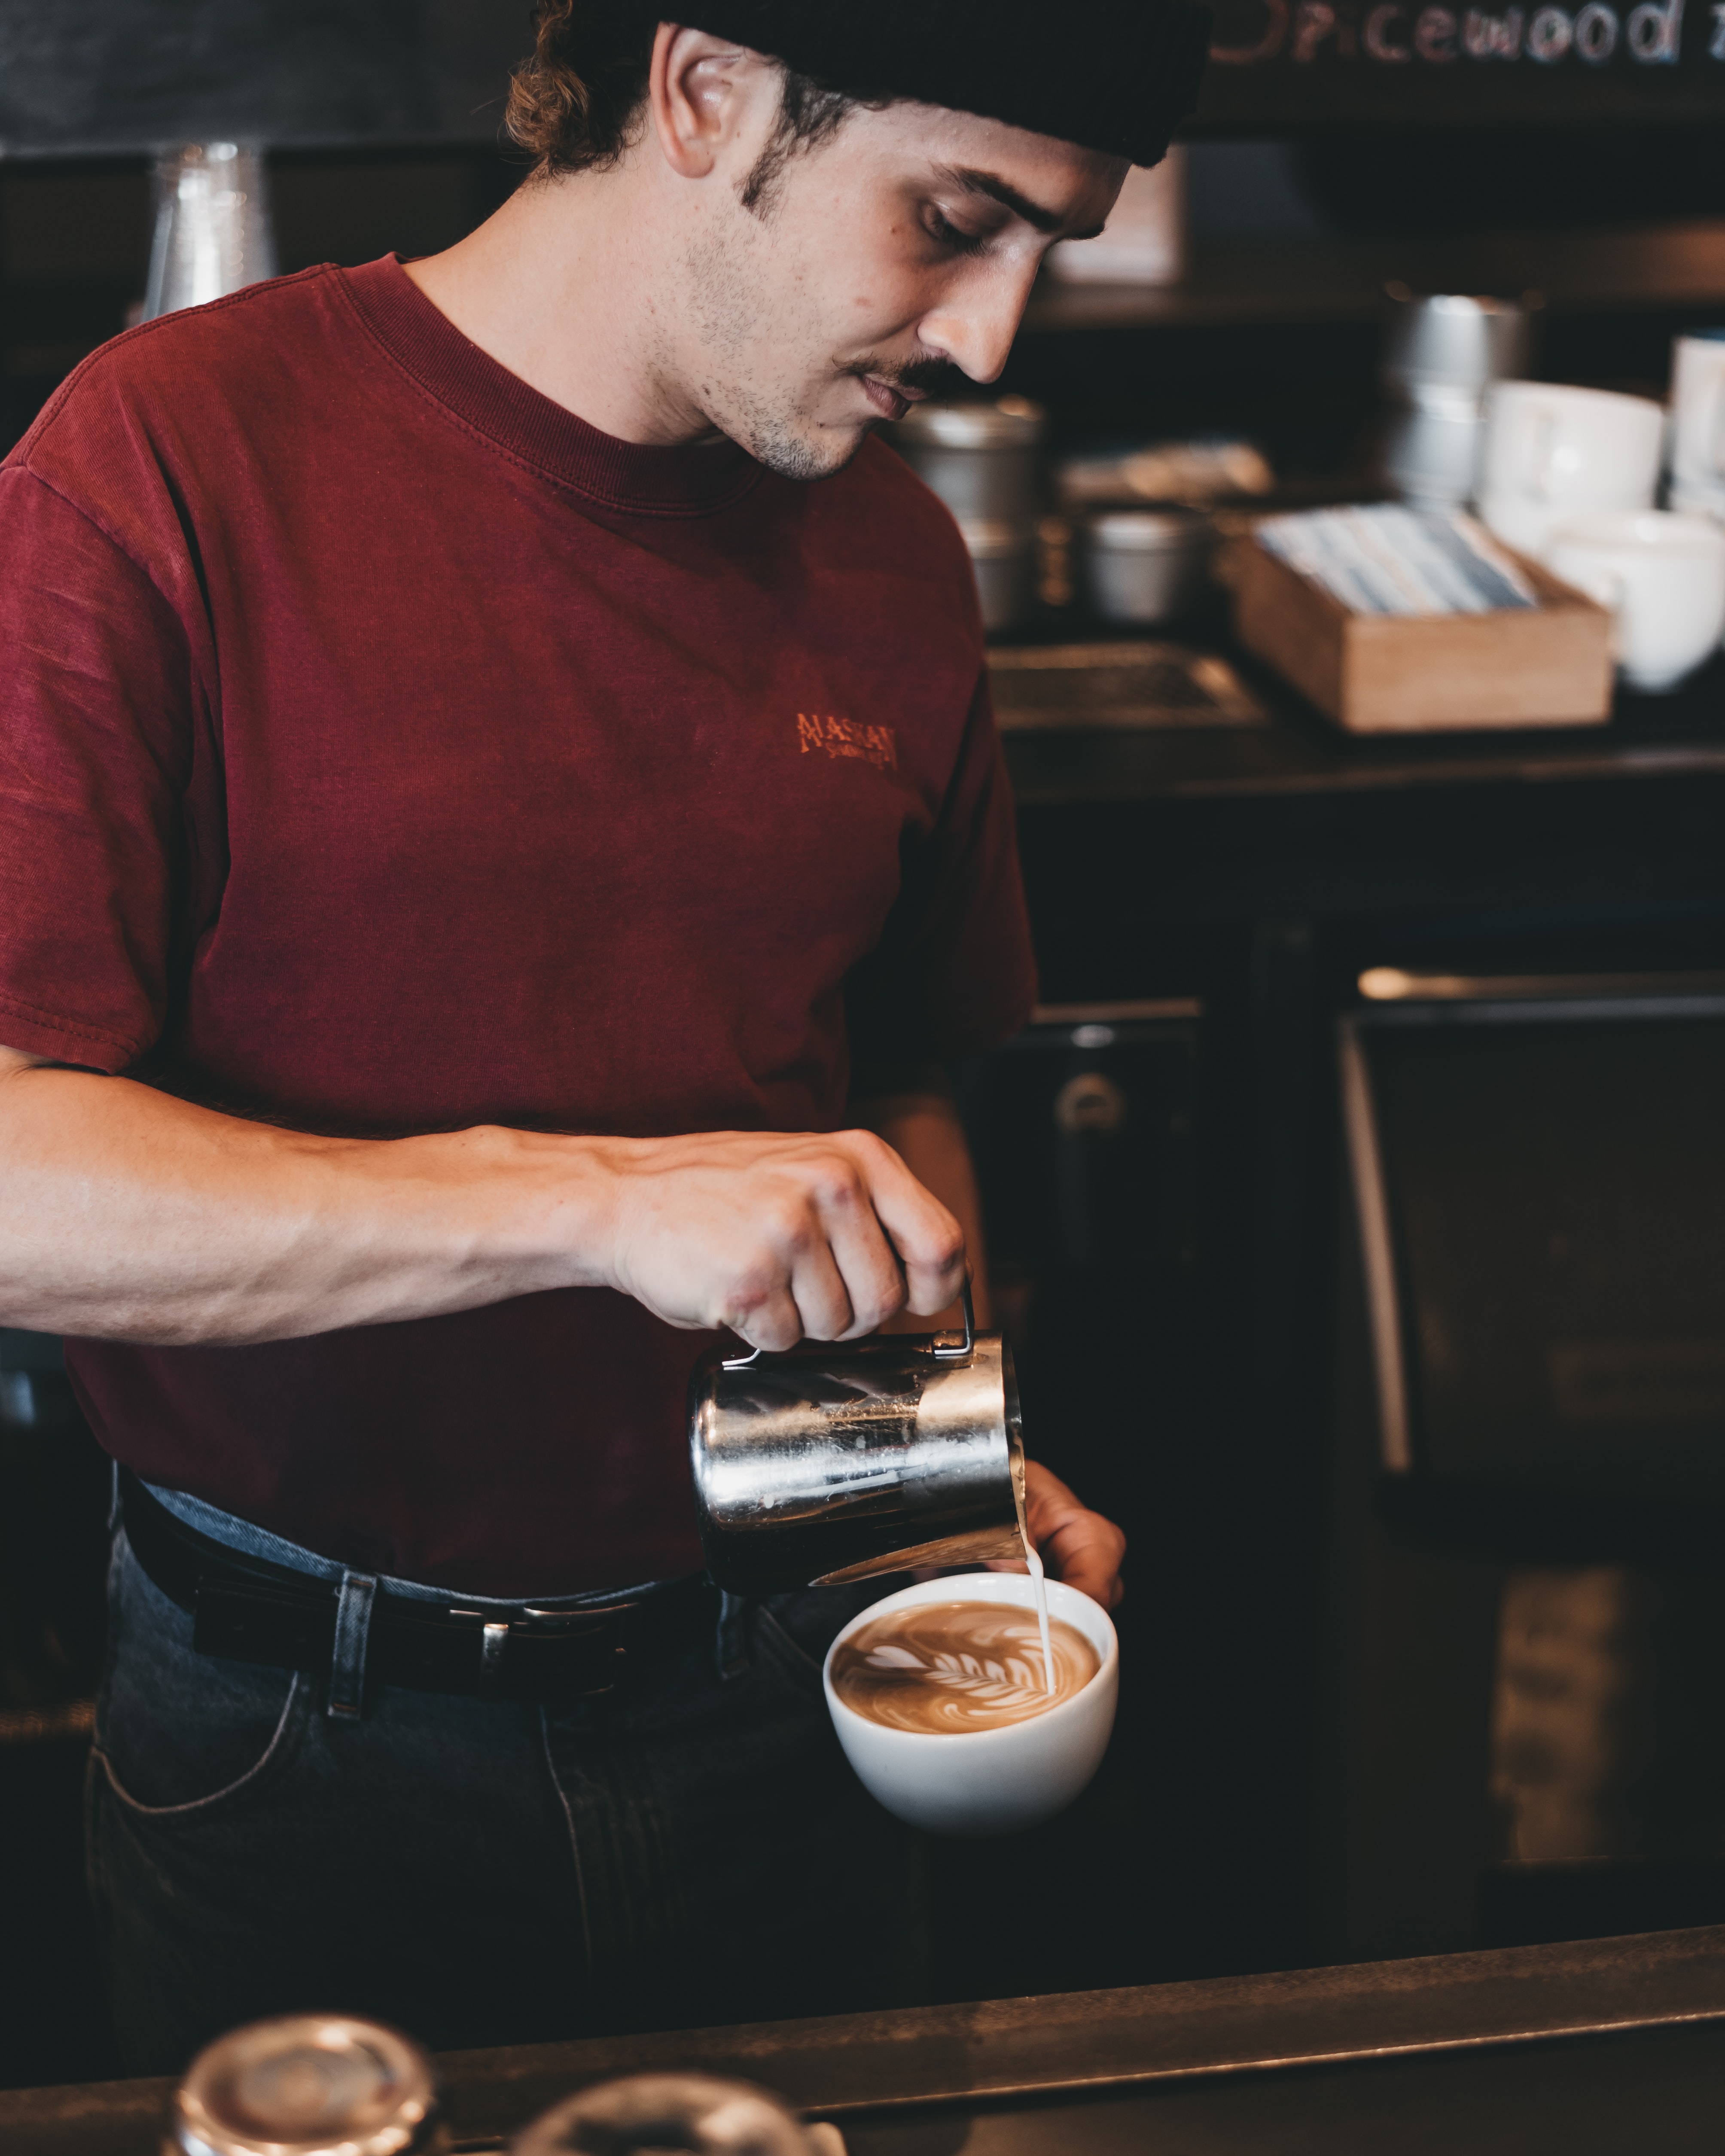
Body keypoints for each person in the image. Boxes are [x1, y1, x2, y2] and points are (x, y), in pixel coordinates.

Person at [0, 0, 1208, 2071]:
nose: (992, 340)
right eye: (951, 221)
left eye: (1047, 251)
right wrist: (591, 1208)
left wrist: (926, 1483)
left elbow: (896, 1090)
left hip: (792, 1709)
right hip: (310, 1753)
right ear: (702, 89)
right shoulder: (166, 460)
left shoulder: (892, 556)